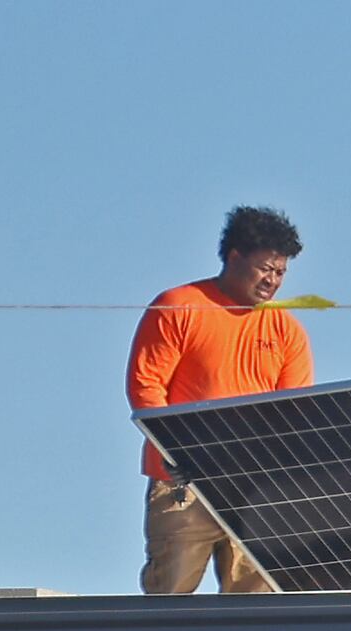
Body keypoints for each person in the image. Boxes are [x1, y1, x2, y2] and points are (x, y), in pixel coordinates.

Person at [126, 206, 313, 594]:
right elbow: (147, 386)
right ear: (234, 257)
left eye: (280, 272)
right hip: (183, 481)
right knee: (169, 598)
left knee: (258, 606)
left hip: (255, 486)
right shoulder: (179, 305)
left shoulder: (286, 330)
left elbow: (293, 412)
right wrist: (178, 451)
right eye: (265, 268)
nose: (272, 281)